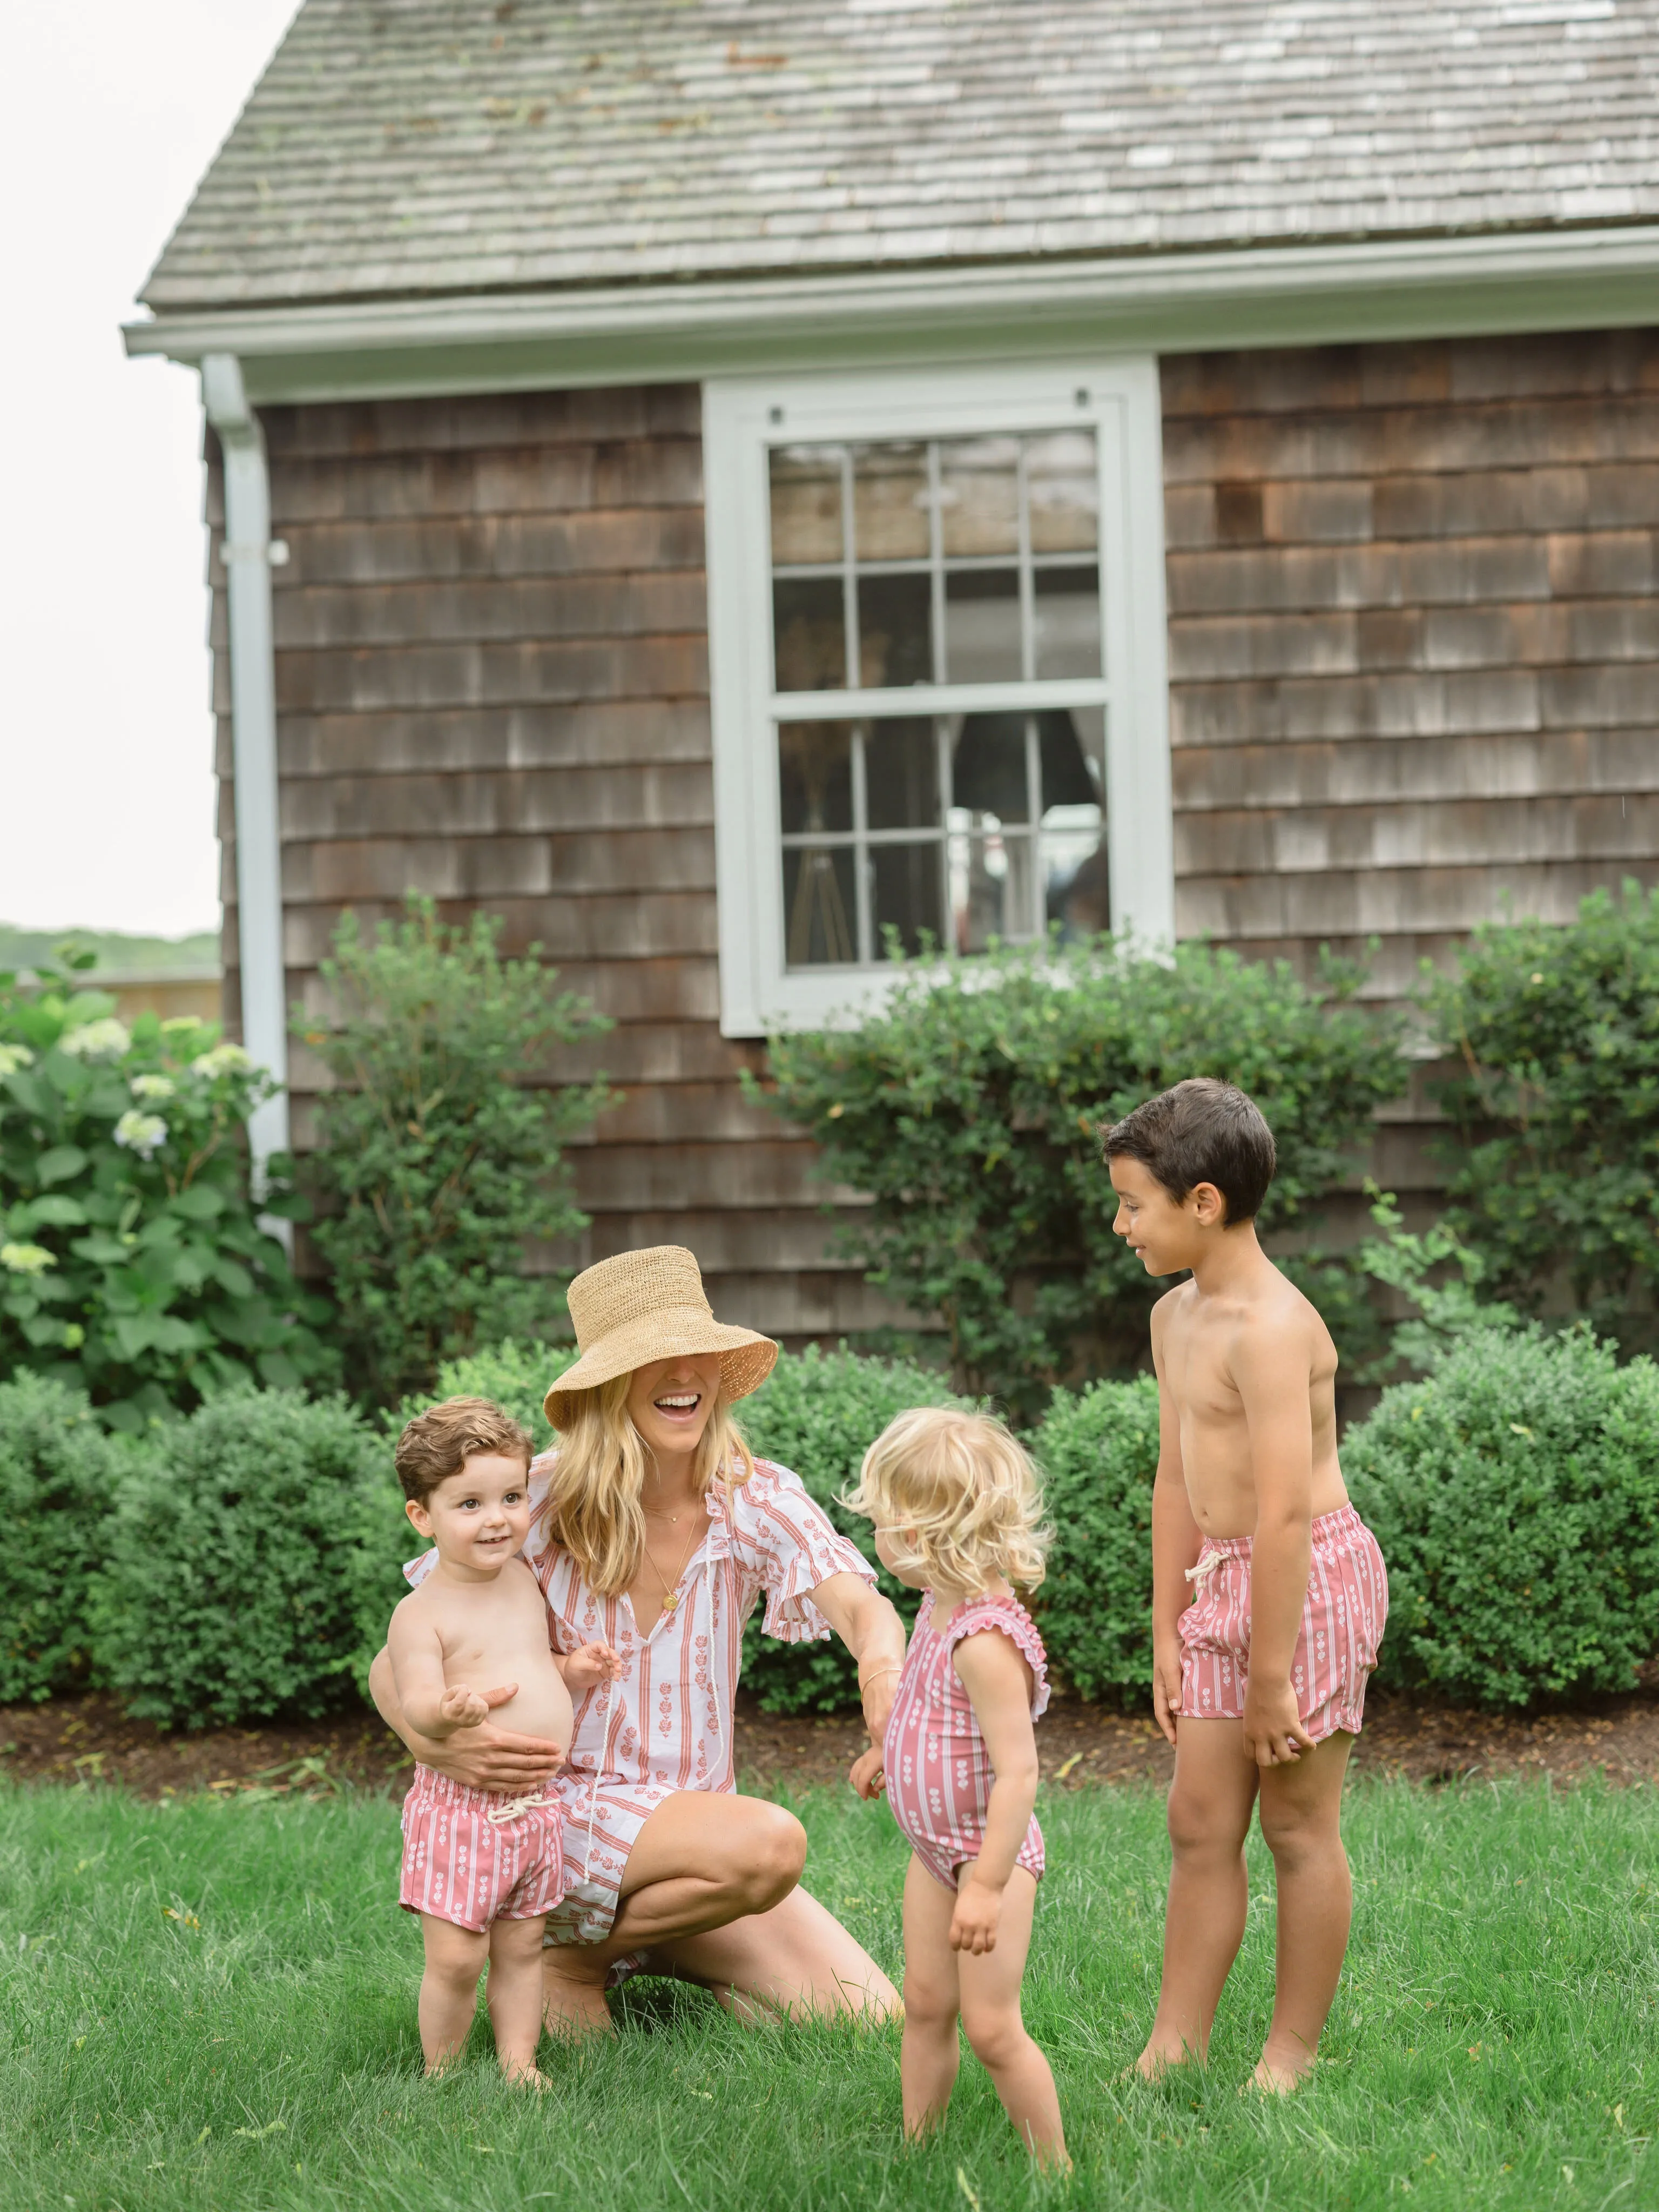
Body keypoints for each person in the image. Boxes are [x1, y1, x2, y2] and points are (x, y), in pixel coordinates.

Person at [370, 1246, 907, 2036]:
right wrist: (437, 1745)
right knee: (770, 1845)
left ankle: (642, 1946)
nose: (683, 1373)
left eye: (698, 1351)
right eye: (653, 1357)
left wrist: (885, 1693)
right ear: (608, 1383)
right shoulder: (533, 1502)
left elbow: (865, 1612)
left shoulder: (752, 1495)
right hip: (557, 1816)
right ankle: (569, 1958)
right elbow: (395, 1662)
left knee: (871, 2019)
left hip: (690, 1844)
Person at [1104, 1078, 1389, 2093]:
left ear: (1203, 1204)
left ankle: (1288, 2056)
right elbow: (1176, 1476)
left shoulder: (1272, 1329)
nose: (1120, 1222)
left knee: (1297, 1827)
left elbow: (1281, 1514)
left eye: (1134, 1203)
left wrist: (1270, 1677)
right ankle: (1171, 2047)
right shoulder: (1174, 1320)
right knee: (1198, 1820)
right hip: (1221, 1581)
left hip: (1305, 1581)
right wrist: (1168, 1629)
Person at [846, 1407, 1067, 2167]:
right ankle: (919, 2147)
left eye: (881, 1523)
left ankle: (1055, 2171)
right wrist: (888, 1755)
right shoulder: (938, 1604)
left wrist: (986, 1887)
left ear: (920, 1534)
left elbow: (1019, 1772)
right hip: (935, 1855)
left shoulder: (985, 1641)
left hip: (985, 1858)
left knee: (992, 2028)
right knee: (928, 2005)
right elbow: (922, 1704)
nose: (876, 1536)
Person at [387, 1397, 622, 2084]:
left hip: (535, 1808)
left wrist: (573, 1670)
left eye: (512, 1496)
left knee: (522, 1945)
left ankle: (519, 2062)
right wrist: (448, 1711)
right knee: (459, 1957)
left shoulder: (521, 1578)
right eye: (470, 1504)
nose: (498, 1519)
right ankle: (444, 2069)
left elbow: (528, 1664)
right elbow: (417, 1701)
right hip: (462, 1811)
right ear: (422, 1516)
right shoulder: (420, 1613)